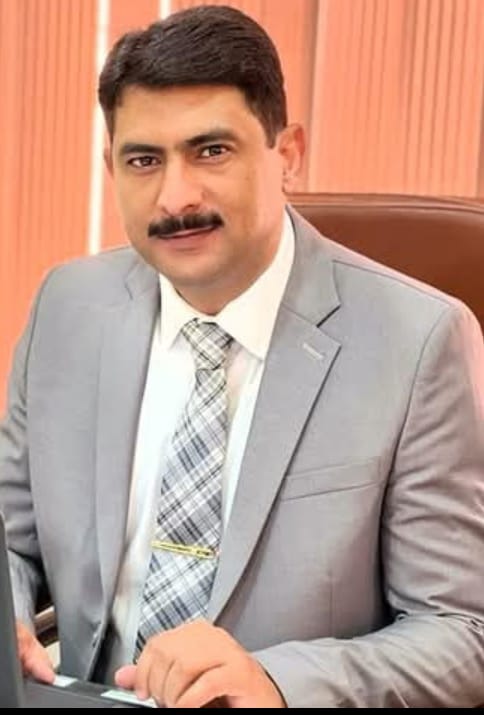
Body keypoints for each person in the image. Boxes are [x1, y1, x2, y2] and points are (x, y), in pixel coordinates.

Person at [1, 3, 484, 709]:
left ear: (288, 154)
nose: (176, 197)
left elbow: (462, 630)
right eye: (143, 160)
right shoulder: (68, 306)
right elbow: (11, 537)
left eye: (211, 151)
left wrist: (281, 680)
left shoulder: (419, 341)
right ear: (111, 167)